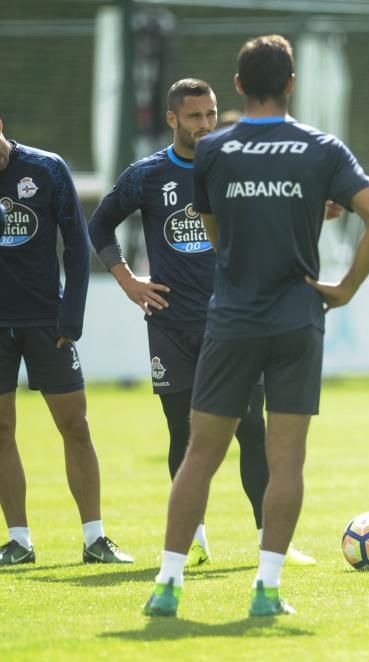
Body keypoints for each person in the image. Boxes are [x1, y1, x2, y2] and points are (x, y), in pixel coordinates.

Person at [143, 34, 369, 617]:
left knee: (200, 453)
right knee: (287, 460)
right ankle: (267, 589)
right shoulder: (322, 148)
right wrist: (346, 287)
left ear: (236, 86)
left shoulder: (212, 151)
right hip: (296, 317)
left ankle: (168, 584)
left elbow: (213, 230)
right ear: (291, 83)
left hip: (230, 318)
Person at [88, 78, 314, 568]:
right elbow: (100, 223)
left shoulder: (235, 168)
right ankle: (193, 540)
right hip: (170, 324)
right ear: (172, 119)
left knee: (252, 432)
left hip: (234, 324)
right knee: (182, 433)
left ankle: (268, 540)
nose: (206, 124)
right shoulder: (147, 175)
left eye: (211, 114)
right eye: (195, 116)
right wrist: (128, 281)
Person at [0, 117, 133, 566]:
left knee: (75, 426)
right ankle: (18, 541)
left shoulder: (46, 168)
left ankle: (95, 538)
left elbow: (77, 243)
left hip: (46, 320)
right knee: (1, 431)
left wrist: (71, 316)